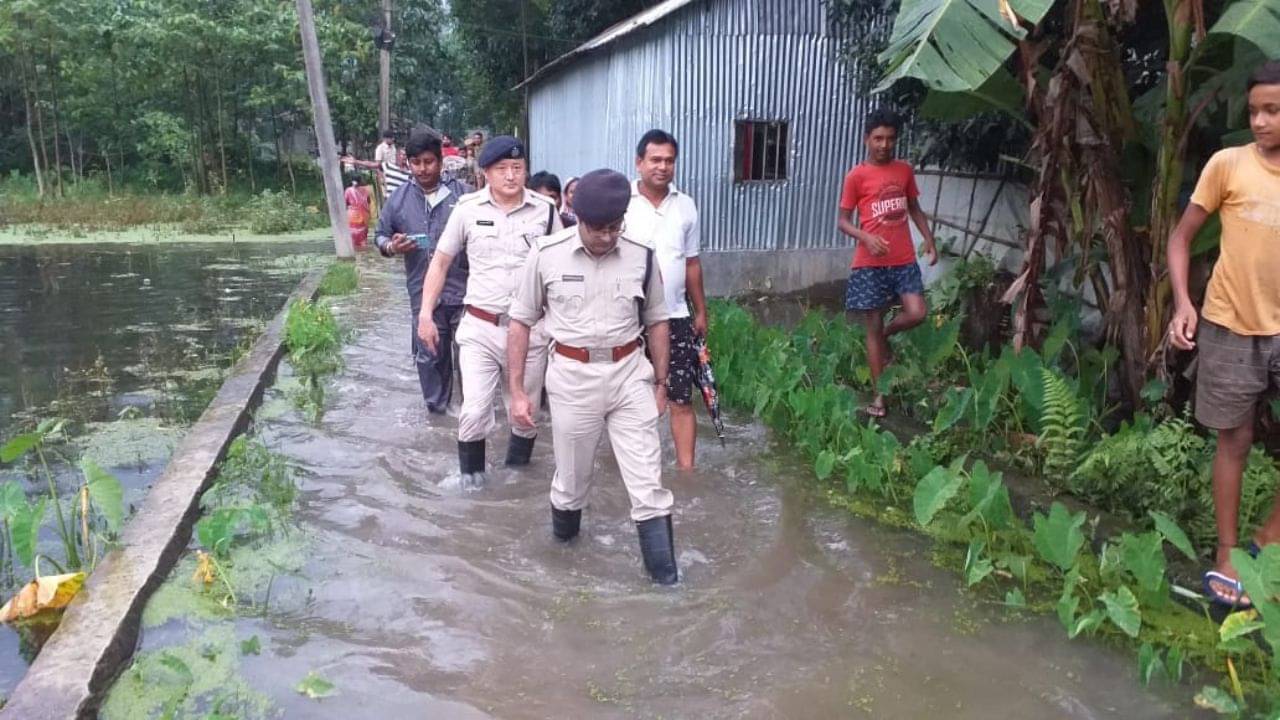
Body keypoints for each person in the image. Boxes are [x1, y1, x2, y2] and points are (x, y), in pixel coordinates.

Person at [507, 169, 678, 584]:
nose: (606, 236)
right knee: (571, 483)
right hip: (571, 378)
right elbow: (520, 321)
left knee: (648, 485)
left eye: (614, 227)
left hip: (629, 375)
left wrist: (661, 382)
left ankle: (669, 586)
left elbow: (657, 321)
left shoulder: (642, 254)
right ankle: (565, 565)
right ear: (577, 218)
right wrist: (517, 390)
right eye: (598, 228)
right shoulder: (546, 254)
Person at [1167, 61, 1280, 608]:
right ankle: (1229, 555)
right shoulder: (1227, 165)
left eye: (1272, 111)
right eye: (1255, 110)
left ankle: (1269, 540)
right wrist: (1183, 304)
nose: (1260, 122)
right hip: (1230, 324)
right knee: (1234, 441)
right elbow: (1181, 238)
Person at [418, 136, 563, 483]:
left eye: (518, 168)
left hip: (529, 331)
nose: (511, 176)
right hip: (481, 327)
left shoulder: (546, 211)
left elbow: (561, 267)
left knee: (525, 415)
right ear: (485, 173)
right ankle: (472, 484)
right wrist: (426, 314)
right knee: (474, 410)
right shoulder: (467, 209)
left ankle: (516, 480)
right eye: (502, 169)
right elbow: (439, 263)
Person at [836, 107, 938, 418]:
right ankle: (879, 398)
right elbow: (842, 221)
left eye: (890, 139)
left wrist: (929, 239)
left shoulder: (904, 170)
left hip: (904, 258)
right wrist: (865, 237)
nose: (884, 145)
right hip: (869, 263)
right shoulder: (856, 176)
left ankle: (887, 336)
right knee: (872, 326)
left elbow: (914, 208)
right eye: (878, 138)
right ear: (867, 139)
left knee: (917, 312)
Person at [624, 129, 706, 470]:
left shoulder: (685, 205)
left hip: (675, 315)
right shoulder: (621, 202)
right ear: (639, 162)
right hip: (627, 317)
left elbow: (691, 262)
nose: (662, 167)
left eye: (669, 161)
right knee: (626, 398)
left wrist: (700, 310)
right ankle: (631, 468)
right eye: (655, 160)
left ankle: (687, 472)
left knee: (680, 397)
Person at [374, 132, 471, 413]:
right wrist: (392, 247)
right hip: (422, 294)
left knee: (469, 356)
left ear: (441, 161)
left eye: (428, 162)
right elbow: (379, 236)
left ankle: (471, 413)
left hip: (464, 290)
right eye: (415, 163)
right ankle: (437, 414)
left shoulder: (464, 196)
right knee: (429, 356)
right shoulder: (398, 200)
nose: (422, 169)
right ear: (407, 164)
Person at [344, 175, 371, 250]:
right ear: (360, 180)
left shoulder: (348, 190)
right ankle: (365, 254)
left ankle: (356, 256)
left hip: (352, 216)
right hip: (364, 215)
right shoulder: (366, 190)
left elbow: (345, 203)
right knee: (363, 239)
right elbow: (368, 202)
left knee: (352, 238)